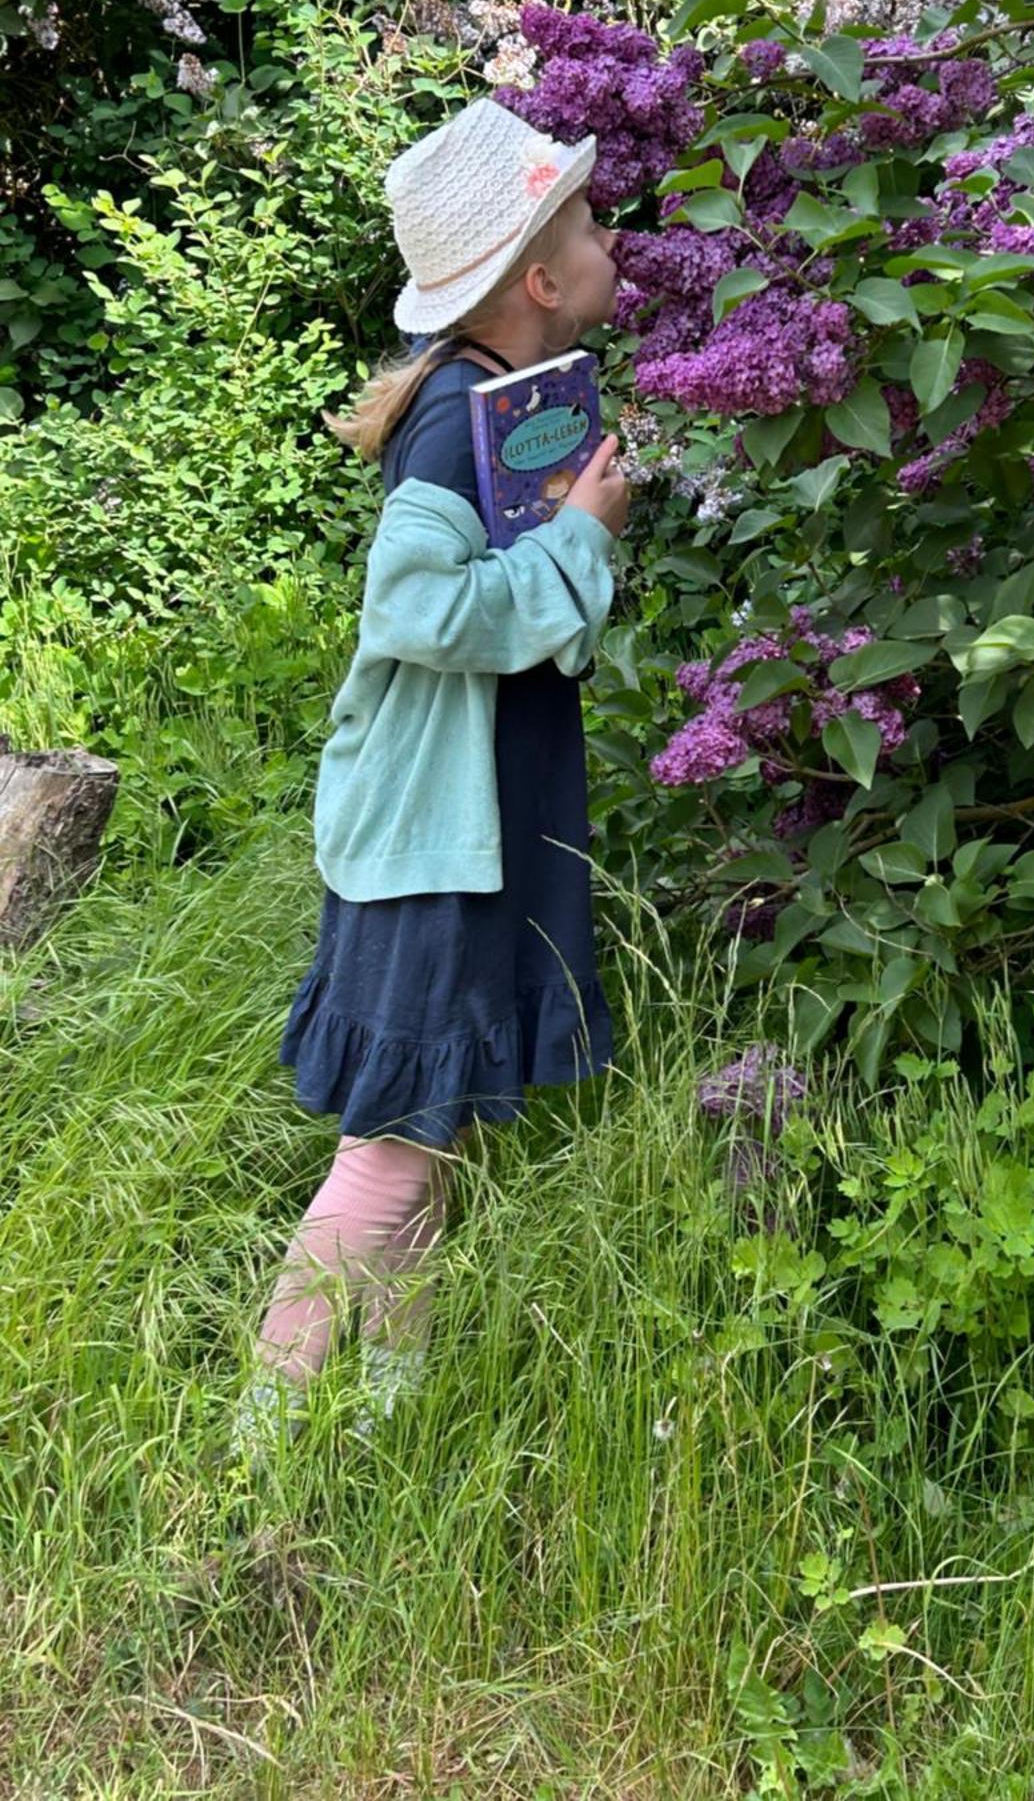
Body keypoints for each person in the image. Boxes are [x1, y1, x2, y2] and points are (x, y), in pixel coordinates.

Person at [232, 97, 630, 1458]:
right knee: (392, 1143)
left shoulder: (498, 405)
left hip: (474, 835)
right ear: (538, 278)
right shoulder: (454, 427)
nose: (607, 236)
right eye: (585, 222)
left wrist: (568, 530)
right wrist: (583, 540)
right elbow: (422, 611)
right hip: (426, 849)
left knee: (432, 1133)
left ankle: (372, 1437)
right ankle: (259, 1463)